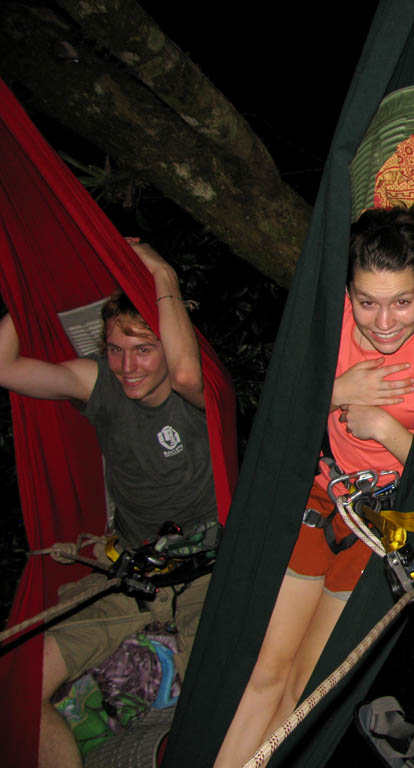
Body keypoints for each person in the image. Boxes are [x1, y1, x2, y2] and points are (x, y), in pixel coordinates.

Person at [214, 125, 414, 768]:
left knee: (306, 684)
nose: (384, 323)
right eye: (367, 303)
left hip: (389, 522)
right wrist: (336, 390)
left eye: (401, 303)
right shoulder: (330, 327)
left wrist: (385, 429)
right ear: (349, 292)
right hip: (323, 497)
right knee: (267, 671)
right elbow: (278, 416)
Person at [0, 239, 216, 768]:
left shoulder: (200, 393)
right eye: (116, 349)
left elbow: (188, 375)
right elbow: (4, 367)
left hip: (206, 573)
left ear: (168, 343)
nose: (127, 365)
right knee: (22, 691)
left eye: (142, 348)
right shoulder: (101, 381)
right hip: (132, 572)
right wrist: (34, 280)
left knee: (218, 704)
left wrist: (163, 271)